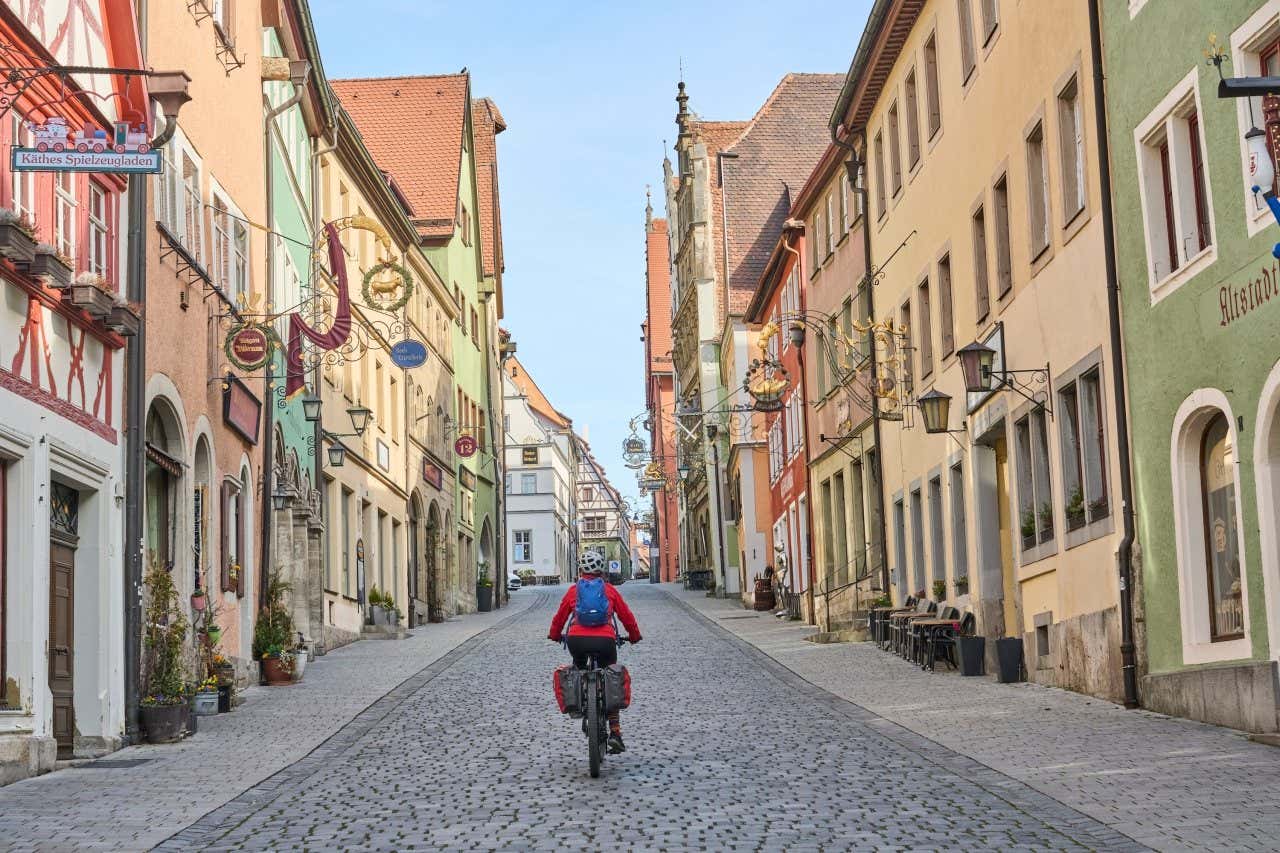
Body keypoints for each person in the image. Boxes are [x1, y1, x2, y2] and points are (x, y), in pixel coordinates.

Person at [549, 550, 642, 754]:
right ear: (601, 571)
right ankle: (615, 732)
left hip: (577, 641)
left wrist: (554, 634)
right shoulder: (610, 590)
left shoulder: (573, 591)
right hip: (605, 641)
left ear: (581, 570)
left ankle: (582, 703)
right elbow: (627, 616)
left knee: (580, 670)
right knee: (611, 677)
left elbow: (560, 617)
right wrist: (634, 635)